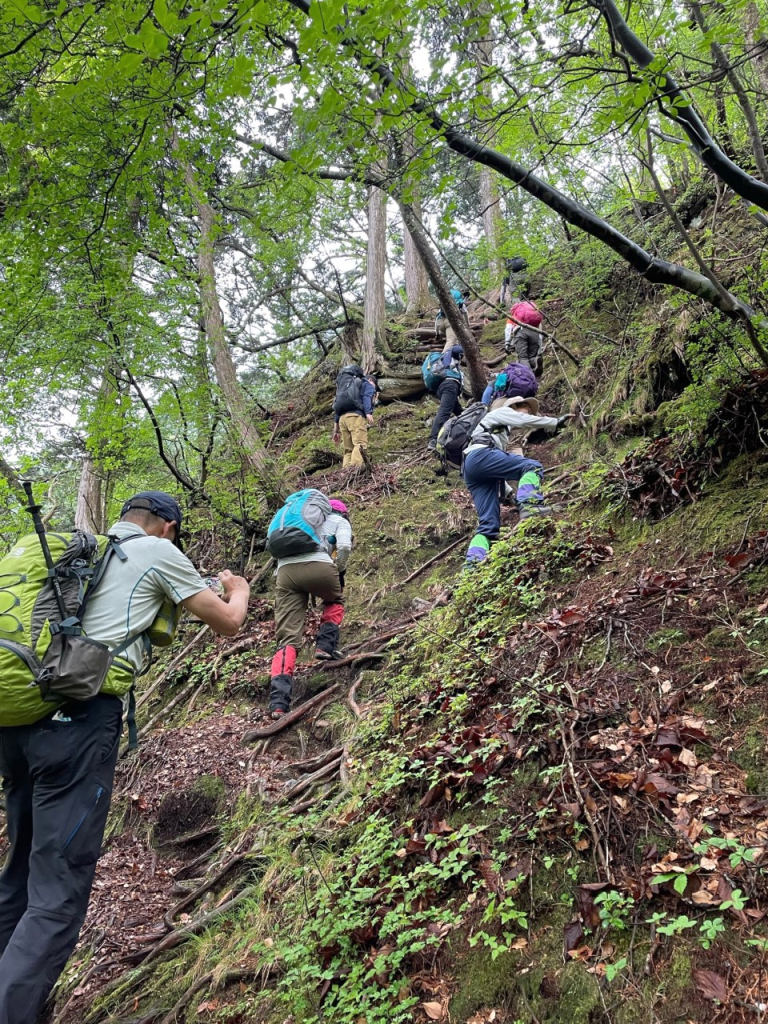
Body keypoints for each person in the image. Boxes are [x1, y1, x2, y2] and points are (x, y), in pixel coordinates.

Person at [0, 491, 250, 1024]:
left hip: (18, 720)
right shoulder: (158, 552)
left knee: (20, 870)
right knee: (59, 886)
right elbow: (227, 622)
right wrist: (239, 587)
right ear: (167, 527)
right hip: (80, 721)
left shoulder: (77, 552)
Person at [269, 496, 352, 717]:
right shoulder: (339, 521)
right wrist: (339, 571)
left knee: (287, 639)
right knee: (334, 600)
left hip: (285, 573)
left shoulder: (298, 523)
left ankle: (278, 703)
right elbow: (343, 547)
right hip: (320, 565)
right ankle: (325, 646)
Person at [462, 398, 572, 564]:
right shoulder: (501, 412)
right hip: (480, 456)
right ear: (513, 406)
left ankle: (472, 564)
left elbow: (494, 469)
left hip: (470, 468)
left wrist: (510, 493)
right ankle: (530, 505)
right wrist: (554, 422)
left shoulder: (495, 431)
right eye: (526, 408)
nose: (528, 412)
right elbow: (522, 420)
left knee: (488, 525)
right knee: (532, 466)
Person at [332, 365, 378, 468]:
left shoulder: (346, 386)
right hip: (355, 417)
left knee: (348, 450)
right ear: (371, 380)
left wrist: (336, 430)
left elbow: (338, 407)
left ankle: (345, 474)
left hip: (342, 420)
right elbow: (367, 397)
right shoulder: (367, 384)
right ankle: (353, 472)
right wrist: (368, 413)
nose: (374, 388)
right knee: (360, 444)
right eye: (375, 385)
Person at [425, 344, 464, 452]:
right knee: (444, 412)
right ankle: (433, 440)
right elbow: (457, 349)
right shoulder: (452, 355)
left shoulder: (445, 359)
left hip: (441, 387)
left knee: (457, 409)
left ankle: (469, 425)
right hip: (450, 385)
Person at [504, 301, 544, 377]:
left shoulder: (514, 316)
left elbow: (508, 329)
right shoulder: (534, 315)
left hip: (521, 333)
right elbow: (540, 328)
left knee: (523, 358)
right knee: (532, 356)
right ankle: (535, 361)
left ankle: (529, 378)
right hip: (535, 332)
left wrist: (507, 343)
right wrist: (540, 343)